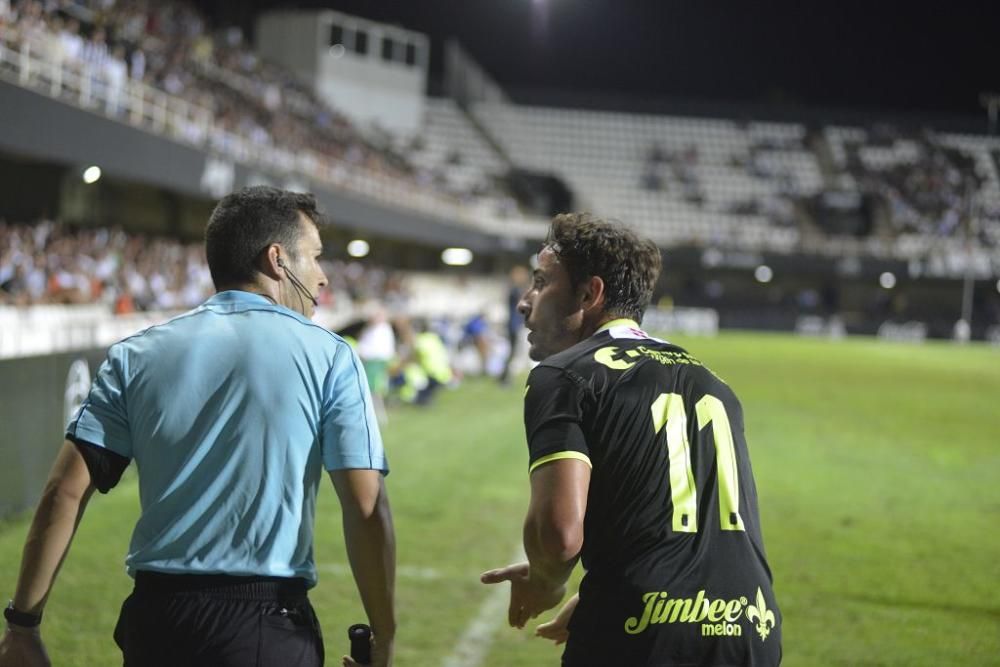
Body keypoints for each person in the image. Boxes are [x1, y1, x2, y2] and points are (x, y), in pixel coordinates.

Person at [0, 187, 396, 667]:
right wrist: (384, 634)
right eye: (314, 257)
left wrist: (22, 625)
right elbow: (365, 504)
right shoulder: (330, 355)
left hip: (156, 621)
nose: (322, 277)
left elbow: (63, 492)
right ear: (277, 259)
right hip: (265, 623)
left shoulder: (134, 355)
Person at [481, 213, 780, 666]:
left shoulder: (564, 376)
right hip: (751, 630)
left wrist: (547, 581)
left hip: (640, 635)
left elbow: (558, 536)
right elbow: (687, 526)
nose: (525, 302)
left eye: (541, 283)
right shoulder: (714, 384)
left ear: (589, 293)